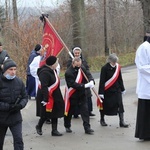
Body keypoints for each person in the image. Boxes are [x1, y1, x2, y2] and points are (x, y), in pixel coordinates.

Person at [0, 59, 28, 150]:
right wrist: (8, 107)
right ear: (5, 70)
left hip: (15, 117)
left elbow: (25, 97)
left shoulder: (19, 82)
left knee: (18, 140)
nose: (13, 72)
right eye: (10, 69)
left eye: (15, 69)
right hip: (1, 118)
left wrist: (20, 105)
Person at [64, 57, 94, 134]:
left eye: (80, 65)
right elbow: (73, 84)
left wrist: (91, 81)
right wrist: (85, 86)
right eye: (77, 65)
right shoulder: (68, 73)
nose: (79, 67)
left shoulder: (81, 68)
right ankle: (67, 125)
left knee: (85, 111)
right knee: (70, 112)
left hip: (82, 94)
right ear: (73, 63)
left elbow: (88, 74)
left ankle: (87, 128)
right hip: (73, 95)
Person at [35, 56, 64, 136]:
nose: (57, 64)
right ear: (52, 64)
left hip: (55, 94)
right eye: (56, 63)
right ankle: (39, 126)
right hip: (46, 95)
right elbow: (44, 86)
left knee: (55, 112)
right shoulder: (44, 72)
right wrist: (45, 98)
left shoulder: (53, 70)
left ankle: (54, 130)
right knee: (45, 113)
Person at [98, 53, 128, 128]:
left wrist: (122, 89)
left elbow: (120, 79)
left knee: (120, 105)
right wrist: (101, 93)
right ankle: (102, 119)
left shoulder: (118, 67)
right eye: (113, 62)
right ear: (109, 61)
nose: (114, 63)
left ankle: (121, 121)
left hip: (117, 89)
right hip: (108, 90)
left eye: (115, 62)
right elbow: (102, 81)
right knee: (105, 105)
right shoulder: (104, 68)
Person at [67, 47, 95, 117]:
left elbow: (87, 70)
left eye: (78, 53)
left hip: (84, 80)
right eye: (75, 53)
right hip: (76, 81)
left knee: (87, 96)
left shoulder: (83, 60)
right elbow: (69, 70)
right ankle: (75, 113)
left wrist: (91, 79)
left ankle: (89, 111)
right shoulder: (70, 61)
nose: (77, 54)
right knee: (76, 98)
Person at [135, 36, 150, 140]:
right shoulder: (144, 47)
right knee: (145, 112)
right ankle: (144, 134)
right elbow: (142, 66)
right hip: (146, 86)